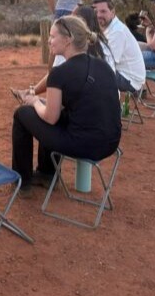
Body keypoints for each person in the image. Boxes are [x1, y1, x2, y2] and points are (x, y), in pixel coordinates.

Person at [11, 16, 121, 196]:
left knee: (22, 114)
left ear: (68, 39)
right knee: (55, 114)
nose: (49, 40)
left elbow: (50, 118)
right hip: (110, 143)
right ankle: (47, 175)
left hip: (83, 145)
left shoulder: (59, 74)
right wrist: (42, 104)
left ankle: (22, 182)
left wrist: (35, 101)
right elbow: (80, 106)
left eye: (53, 37)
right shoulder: (103, 66)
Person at [18, 5, 113, 96]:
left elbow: (53, 76)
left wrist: (52, 54)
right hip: (107, 103)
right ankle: (29, 93)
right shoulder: (104, 45)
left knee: (28, 109)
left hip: (81, 105)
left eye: (72, 17)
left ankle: (29, 93)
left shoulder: (69, 46)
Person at [92, 0, 146, 93]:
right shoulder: (105, 28)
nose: (98, 15)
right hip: (121, 72)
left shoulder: (117, 32)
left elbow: (107, 64)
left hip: (129, 79)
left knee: (90, 74)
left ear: (112, 13)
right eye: (95, 12)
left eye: (103, 11)